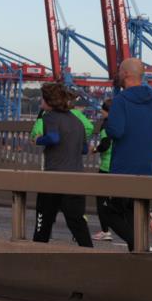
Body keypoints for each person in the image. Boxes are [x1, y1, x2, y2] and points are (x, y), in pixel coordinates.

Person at [101, 58, 152, 251]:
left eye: (119, 70)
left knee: (109, 212)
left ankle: (139, 246)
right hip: (146, 166)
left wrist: (109, 127)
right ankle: (139, 253)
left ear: (125, 74)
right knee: (135, 213)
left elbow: (116, 131)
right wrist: (146, 136)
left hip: (122, 166)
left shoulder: (120, 100)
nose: (117, 74)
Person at [32, 83, 93, 247]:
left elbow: (53, 138)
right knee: (76, 221)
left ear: (48, 101)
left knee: (43, 219)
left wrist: (38, 140)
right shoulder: (77, 121)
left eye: (42, 99)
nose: (40, 103)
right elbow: (84, 149)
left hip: (54, 177)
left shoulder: (50, 117)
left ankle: (36, 251)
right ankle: (89, 252)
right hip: (75, 176)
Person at [91, 99, 114, 242]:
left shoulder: (106, 125)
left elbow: (105, 145)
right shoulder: (120, 122)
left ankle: (105, 230)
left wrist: (95, 149)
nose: (101, 111)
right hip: (119, 166)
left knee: (101, 199)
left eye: (103, 109)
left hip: (106, 167)